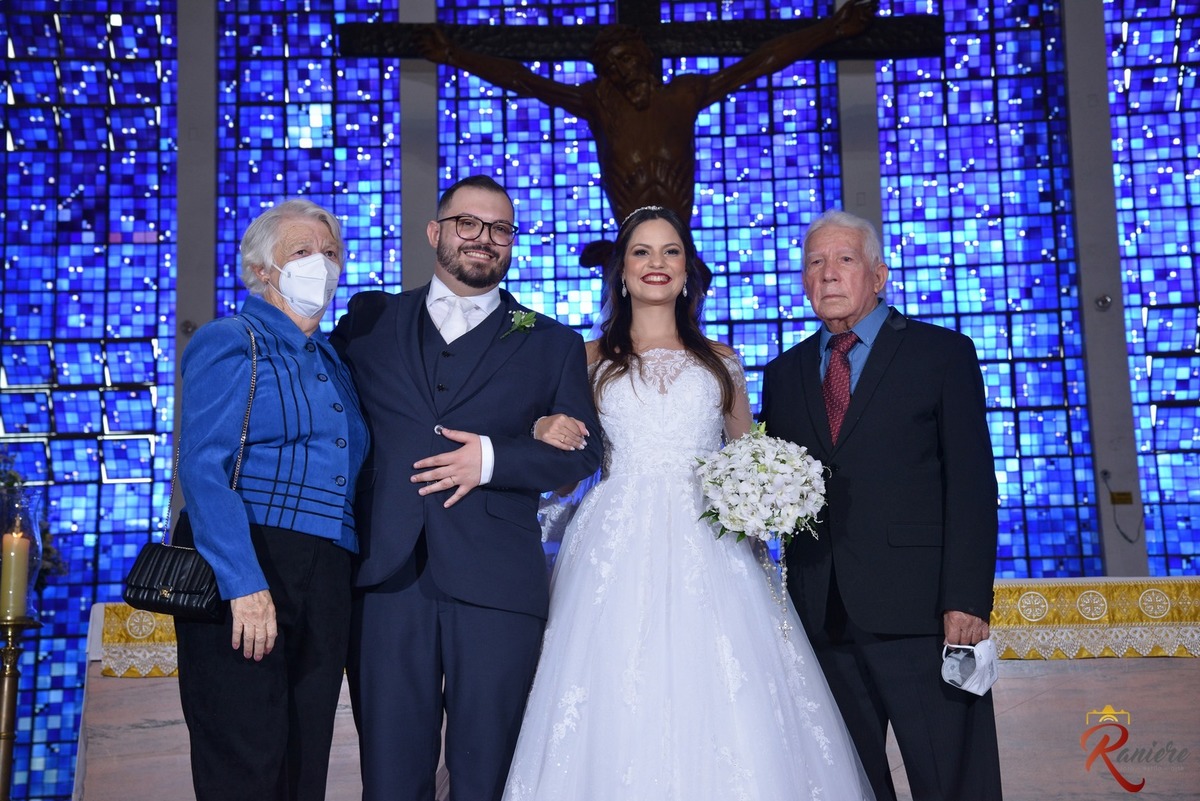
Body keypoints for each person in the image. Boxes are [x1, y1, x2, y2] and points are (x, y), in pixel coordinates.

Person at [506, 206, 875, 799]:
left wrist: (767, 495)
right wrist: (542, 429)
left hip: (714, 542)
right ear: (622, 272)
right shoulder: (587, 357)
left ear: (687, 270)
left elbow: (745, 452)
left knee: (730, 692)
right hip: (615, 540)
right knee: (617, 686)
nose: (658, 264)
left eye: (671, 252)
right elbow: (565, 458)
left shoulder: (721, 360)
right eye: (642, 252)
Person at [330, 175, 603, 801]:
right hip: (386, 578)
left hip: (498, 584)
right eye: (468, 224)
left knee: (490, 775)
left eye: (501, 229)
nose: (484, 239)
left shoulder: (551, 341)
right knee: (391, 778)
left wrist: (491, 459)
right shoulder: (369, 321)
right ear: (436, 232)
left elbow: (585, 453)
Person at [760, 209, 1003, 801]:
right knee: (849, 782)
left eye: (844, 260)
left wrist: (966, 600)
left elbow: (972, 484)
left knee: (950, 778)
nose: (828, 275)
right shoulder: (783, 374)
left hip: (923, 614)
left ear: (880, 275)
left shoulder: (940, 354)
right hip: (821, 615)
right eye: (815, 263)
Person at [174, 199, 369, 801]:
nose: (322, 265)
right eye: (302, 253)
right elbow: (204, 468)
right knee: (247, 760)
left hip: (329, 570)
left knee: (305, 762)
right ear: (262, 271)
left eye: (331, 253)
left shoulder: (335, 360)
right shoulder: (233, 340)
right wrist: (243, 582)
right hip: (250, 559)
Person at [414, 0, 877, 227]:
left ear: (646, 56)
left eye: (627, 58)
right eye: (611, 66)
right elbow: (523, 81)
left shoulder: (685, 95)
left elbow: (760, 62)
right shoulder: (600, 105)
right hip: (627, 246)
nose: (621, 70)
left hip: (683, 242)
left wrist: (834, 26)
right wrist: (454, 55)